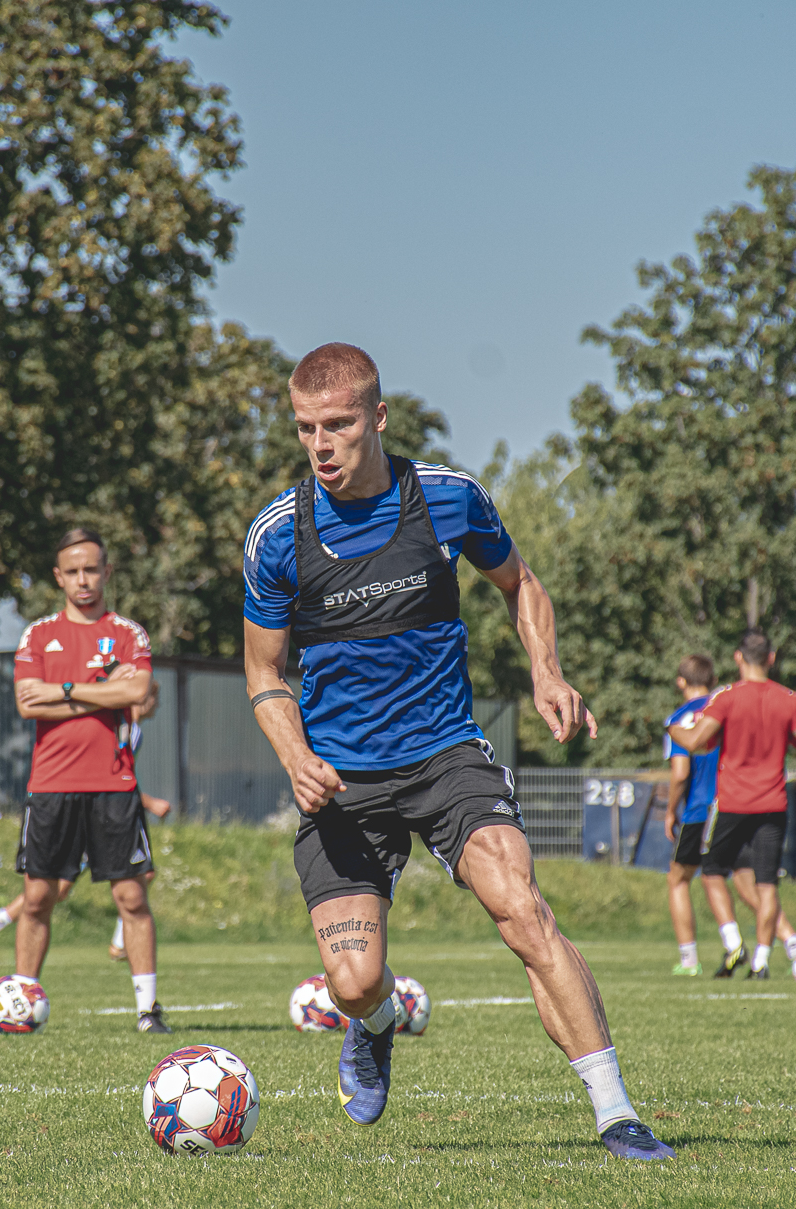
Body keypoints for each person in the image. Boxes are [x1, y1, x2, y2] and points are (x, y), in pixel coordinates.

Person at [243, 342, 672, 1161]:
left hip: (446, 756)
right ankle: (375, 1024)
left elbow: (521, 584)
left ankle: (616, 1112)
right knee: (353, 982)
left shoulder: (447, 498)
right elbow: (264, 673)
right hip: (342, 779)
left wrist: (546, 670)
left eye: (338, 424)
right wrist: (294, 755)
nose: (321, 444)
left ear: (378, 417)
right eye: (305, 428)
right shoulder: (276, 535)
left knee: (524, 911)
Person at [0, 528, 168, 1034]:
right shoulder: (38, 635)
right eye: (73, 571)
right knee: (38, 898)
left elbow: (137, 691)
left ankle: (148, 1012)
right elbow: (28, 702)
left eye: (91, 569)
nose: (83, 580)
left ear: (107, 572)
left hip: (115, 784)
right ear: (58, 577)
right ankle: (22, 1004)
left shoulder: (129, 633)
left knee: (131, 898)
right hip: (51, 784)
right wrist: (98, 689)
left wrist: (63, 692)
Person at [0, 679, 169, 966]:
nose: (157, 706)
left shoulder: (132, 729)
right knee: (60, 887)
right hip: (90, 811)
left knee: (127, 879)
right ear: (142, 699)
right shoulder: (123, 728)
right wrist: (151, 803)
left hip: (100, 808)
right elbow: (111, 777)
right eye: (155, 699)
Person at [668, 628, 796, 980]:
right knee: (766, 884)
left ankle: (733, 941)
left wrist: (673, 730)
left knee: (712, 872)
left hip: (733, 803)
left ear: (738, 658)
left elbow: (694, 741)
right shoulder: (789, 700)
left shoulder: (726, 698)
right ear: (771, 658)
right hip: (774, 804)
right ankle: (761, 962)